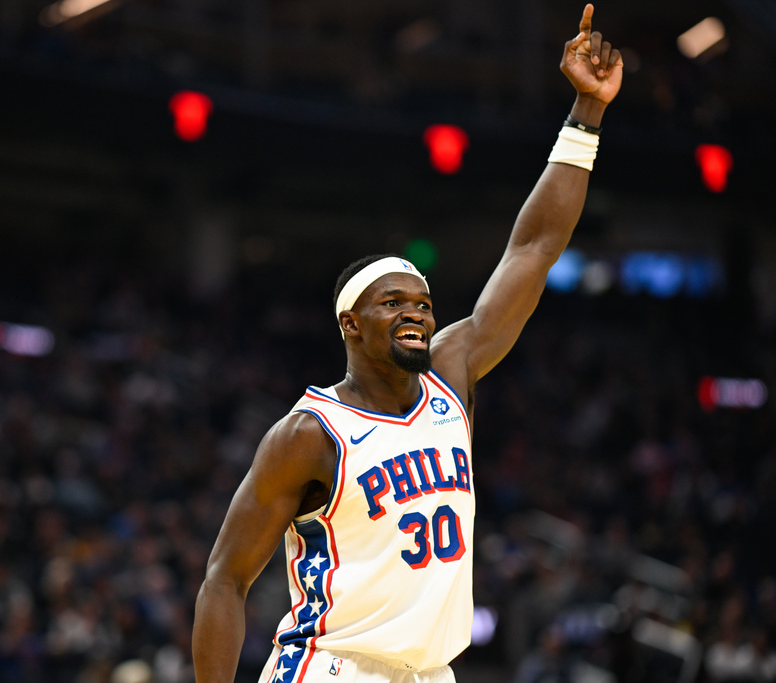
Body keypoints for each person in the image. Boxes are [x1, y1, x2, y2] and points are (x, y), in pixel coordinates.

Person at [193, 5, 623, 682]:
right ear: (351, 323)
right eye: (392, 302)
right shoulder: (309, 432)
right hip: (332, 667)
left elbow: (534, 248)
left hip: (429, 672)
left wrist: (586, 115)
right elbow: (224, 580)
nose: (416, 312)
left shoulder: (454, 372)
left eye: (422, 302)